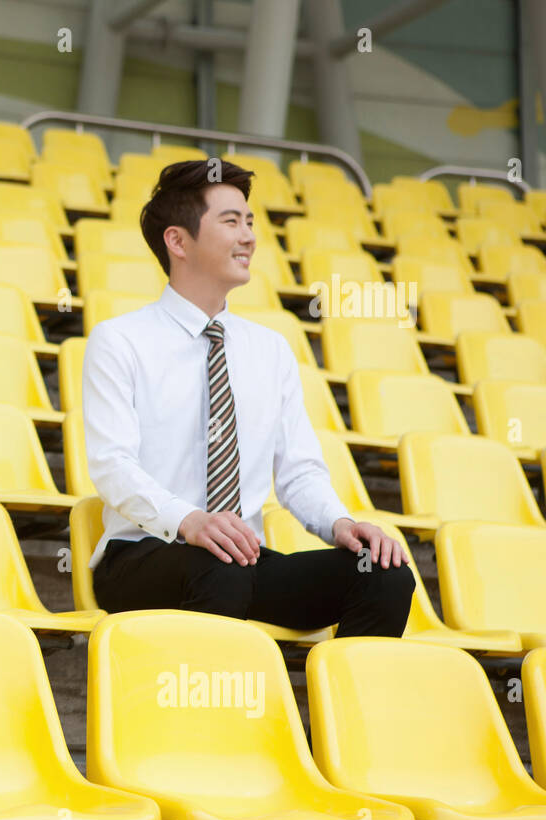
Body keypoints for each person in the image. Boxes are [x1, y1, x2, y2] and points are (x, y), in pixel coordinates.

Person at [83, 159, 416, 637]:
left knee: (384, 575)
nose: (249, 237)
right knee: (219, 566)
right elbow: (112, 466)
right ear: (177, 241)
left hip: (240, 560)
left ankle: (343, 707)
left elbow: (299, 471)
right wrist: (190, 521)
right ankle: (203, 708)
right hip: (144, 556)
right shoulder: (120, 340)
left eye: (250, 221)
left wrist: (338, 523)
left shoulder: (269, 348)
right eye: (231, 221)